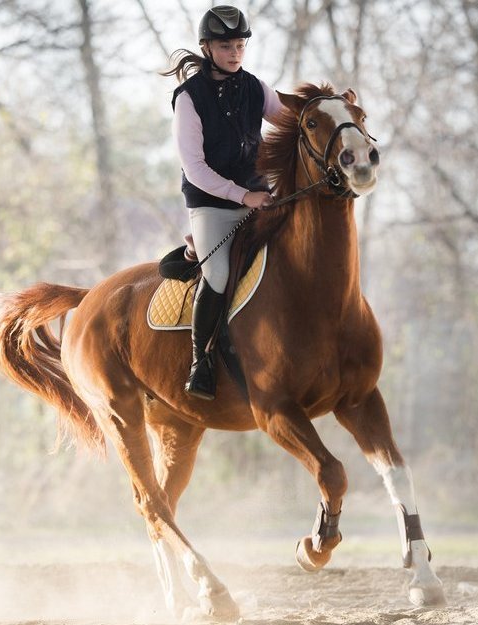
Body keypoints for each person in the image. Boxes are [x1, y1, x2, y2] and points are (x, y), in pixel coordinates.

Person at [163, 5, 282, 400]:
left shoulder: (255, 88)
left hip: (259, 198)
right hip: (212, 205)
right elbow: (195, 168)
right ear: (207, 48)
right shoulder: (188, 98)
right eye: (226, 45)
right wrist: (243, 195)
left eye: (240, 45)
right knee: (216, 273)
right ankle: (202, 362)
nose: (235, 53)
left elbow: (290, 119)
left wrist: (326, 111)